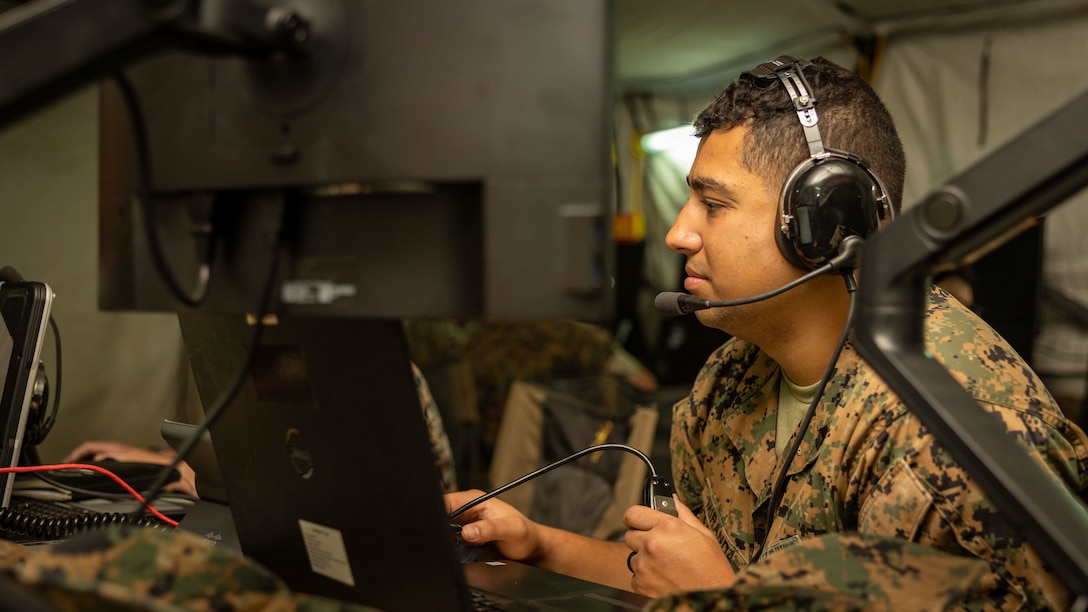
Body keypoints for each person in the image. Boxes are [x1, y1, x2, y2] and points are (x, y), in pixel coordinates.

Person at [445, 56, 1088, 608]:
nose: (677, 234)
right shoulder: (729, 379)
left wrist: (719, 600)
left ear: (827, 224)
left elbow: (709, 591)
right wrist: (536, 544)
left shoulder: (955, 434)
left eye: (713, 203)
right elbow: (674, 580)